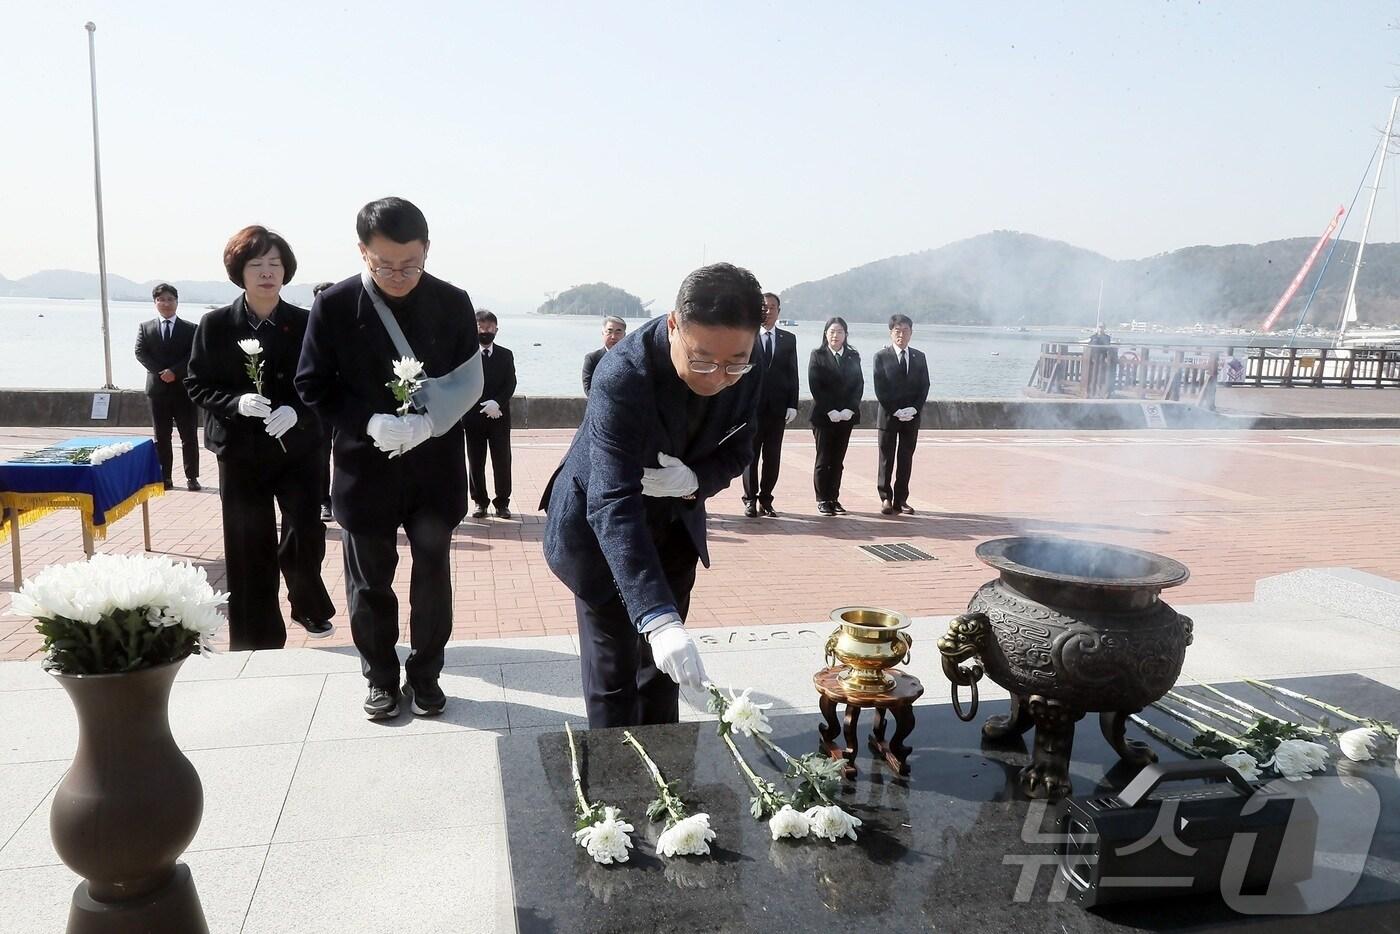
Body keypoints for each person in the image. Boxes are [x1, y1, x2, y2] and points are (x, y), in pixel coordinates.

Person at [541, 263, 764, 729]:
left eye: (734, 363)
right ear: (672, 324)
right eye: (702, 360)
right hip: (601, 535)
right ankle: (611, 790)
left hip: (674, 525)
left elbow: (742, 446)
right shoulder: (622, 373)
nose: (718, 377)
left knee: (665, 677)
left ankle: (669, 785)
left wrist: (694, 480)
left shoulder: (747, 360)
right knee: (614, 677)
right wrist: (657, 618)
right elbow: (611, 500)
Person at [296, 197, 482, 721]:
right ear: (362, 251)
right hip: (364, 467)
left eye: (410, 264)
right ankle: (380, 676)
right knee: (369, 581)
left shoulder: (452, 301)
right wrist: (369, 421)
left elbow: (470, 382)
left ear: (426, 250)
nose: (398, 275)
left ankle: (426, 675)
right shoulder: (334, 305)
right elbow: (312, 384)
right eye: (384, 265)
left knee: (432, 575)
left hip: (435, 465)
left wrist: (427, 424)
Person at [185, 226, 335, 650]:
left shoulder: (307, 323)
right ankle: (256, 638)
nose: (267, 273)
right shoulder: (215, 324)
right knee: (248, 542)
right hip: (240, 449)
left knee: (306, 531)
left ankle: (305, 599)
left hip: (298, 448)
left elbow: (324, 383)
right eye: (257, 265)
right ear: (240, 271)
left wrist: (297, 410)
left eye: (275, 264)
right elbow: (197, 384)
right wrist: (236, 403)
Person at [134, 283, 200, 491]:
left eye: (170, 299)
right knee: (161, 437)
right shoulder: (146, 327)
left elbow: (194, 354)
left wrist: (175, 372)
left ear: (177, 302)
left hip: (183, 390)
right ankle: (165, 477)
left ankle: (192, 477)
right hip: (157, 390)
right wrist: (161, 372)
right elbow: (140, 352)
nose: (166, 303)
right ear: (155, 303)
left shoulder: (190, 329)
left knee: (188, 436)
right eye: (161, 299)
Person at [741, 292, 798, 517]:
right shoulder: (747, 336)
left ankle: (766, 499)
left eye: (772, 307)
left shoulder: (789, 339)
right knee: (751, 456)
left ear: (779, 311)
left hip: (777, 409)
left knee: (773, 456)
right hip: (752, 408)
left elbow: (792, 373)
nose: (768, 310)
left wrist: (792, 404)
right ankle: (749, 499)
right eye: (764, 307)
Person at [872, 314, 930, 516]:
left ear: (911, 333)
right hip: (889, 416)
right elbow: (880, 388)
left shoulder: (919, 357)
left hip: (911, 417)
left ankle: (901, 499)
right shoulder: (881, 356)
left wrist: (914, 408)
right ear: (891, 333)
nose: (901, 335)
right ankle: (885, 497)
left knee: (906, 458)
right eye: (897, 331)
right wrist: (895, 409)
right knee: (886, 458)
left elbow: (924, 386)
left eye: (905, 331)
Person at [807, 316, 862, 516]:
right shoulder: (818, 355)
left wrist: (849, 409)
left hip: (846, 417)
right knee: (824, 459)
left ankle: (834, 498)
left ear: (846, 335)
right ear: (825, 334)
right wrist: (830, 409)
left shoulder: (853, 356)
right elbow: (815, 385)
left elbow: (858, 385)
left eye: (839, 332)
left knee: (838, 460)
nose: (835, 336)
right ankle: (822, 499)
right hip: (823, 416)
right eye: (832, 331)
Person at [465, 309, 517, 519]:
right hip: (472, 416)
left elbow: (510, 383)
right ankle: (480, 502)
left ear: (496, 329)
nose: (485, 331)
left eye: (489, 328)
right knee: (475, 460)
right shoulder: (466, 355)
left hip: (499, 417)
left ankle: (502, 502)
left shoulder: (506, 354)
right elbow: (463, 384)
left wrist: (497, 403)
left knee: (502, 460)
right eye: (481, 327)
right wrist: (480, 404)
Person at [311, 281, 336, 522]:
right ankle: (323, 501)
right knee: (320, 455)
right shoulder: (305, 326)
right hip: (318, 406)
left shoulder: (347, 326)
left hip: (345, 403)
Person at [582, 316, 627, 395]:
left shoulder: (631, 359)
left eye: (618, 332)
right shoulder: (592, 359)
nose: (613, 337)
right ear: (603, 333)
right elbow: (588, 390)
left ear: (624, 335)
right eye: (609, 332)